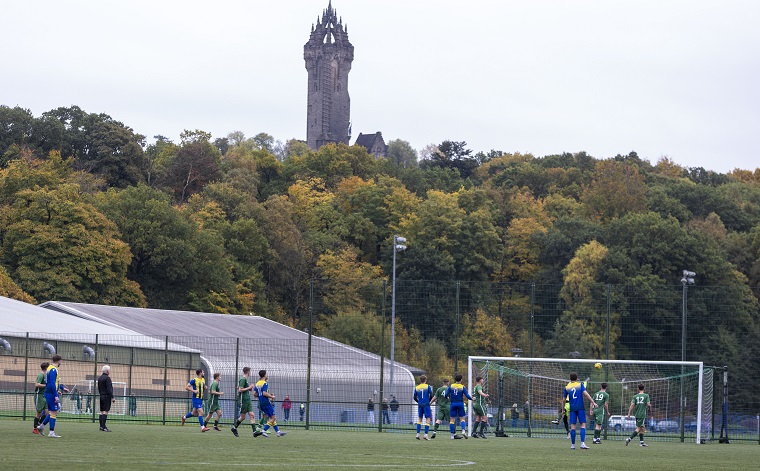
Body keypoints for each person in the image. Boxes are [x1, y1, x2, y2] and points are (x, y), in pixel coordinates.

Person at [563, 372, 597, 450]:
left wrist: (563, 409)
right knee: (583, 425)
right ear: (577, 378)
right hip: (580, 407)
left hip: (572, 408)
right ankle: (582, 444)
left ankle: (573, 445)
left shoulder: (567, 387)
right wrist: (593, 402)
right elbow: (586, 394)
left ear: (570, 378)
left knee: (573, 427)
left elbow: (563, 400)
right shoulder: (580, 385)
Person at [38, 354, 69, 438]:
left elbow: (54, 382)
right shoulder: (53, 370)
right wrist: (55, 395)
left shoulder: (50, 368)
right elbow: (51, 383)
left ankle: (41, 426)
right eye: (61, 361)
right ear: (59, 361)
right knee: (54, 412)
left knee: (53, 412)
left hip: (50, 392)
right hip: (51, 393)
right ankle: (51, 432)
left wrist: (62, 388)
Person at [231, 367, 262, 437]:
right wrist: (248, 387)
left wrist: (250, 388)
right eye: (250, 371)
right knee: (243, 417)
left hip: (248, 400)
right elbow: (240, 390)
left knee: (252, 415)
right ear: (248, 372)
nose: (250, 373)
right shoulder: (243, 379)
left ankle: (254, 432)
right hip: (243, 400)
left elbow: (241, 388)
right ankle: (234, 428)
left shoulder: (245, 380)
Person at [255, 369, 286, 437]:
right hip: (266, 402)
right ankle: (264, 430)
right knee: (273, 418)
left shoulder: (257, 383)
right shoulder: (265, 383)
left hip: (261, 403)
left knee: (271, 417)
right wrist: (271, 396)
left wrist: (260, 395)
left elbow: (255, 394)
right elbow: (264, 393)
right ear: (265, 375)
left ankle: (278, 432)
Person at [445, 373, 472, 439]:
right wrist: (472, 398)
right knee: (462, 418)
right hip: (460, 404)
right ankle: (463, 430)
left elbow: (445, 395)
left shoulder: (451, 386)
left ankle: (452, 435)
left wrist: (448, 397)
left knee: (452, 420)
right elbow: (467, 395)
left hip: (453, 404)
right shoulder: (462, 387)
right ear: (461, 380)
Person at [413, 375, 435, 440]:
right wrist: (429, 401)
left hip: (420, 404)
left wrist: (419, 402)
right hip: (426, 404)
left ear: (420, 380)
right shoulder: (428, 386)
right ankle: (425, 434)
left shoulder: (417, 387)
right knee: (428, 419)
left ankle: (417, 434)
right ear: (425, 380)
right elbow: (431, 395)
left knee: (419, 419)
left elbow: (414, 397)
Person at [97, 365, 116, 432]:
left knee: (102, 412)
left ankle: (101, 427)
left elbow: (98, 388)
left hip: (101, 396)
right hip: (106, 396)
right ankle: (104, 427)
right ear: (107, 371)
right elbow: (109, 389)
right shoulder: (107, 378)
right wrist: (112, 397)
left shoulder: (100, 378)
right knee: (105, 411)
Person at [33, 362, 49, 434]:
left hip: (45, 396)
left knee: (48, 413)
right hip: (39, 396)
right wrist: (46, 385)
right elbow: (37, 384)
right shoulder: (41, 375)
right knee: (39, 413)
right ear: (46, 368)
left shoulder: (46, 376)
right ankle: (35, 428)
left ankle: (39, 423)